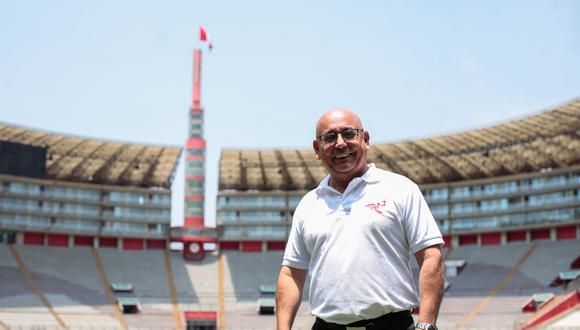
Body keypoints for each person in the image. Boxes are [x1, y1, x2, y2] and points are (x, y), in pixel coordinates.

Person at [276, 109, 445, 330]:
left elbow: (431, 256)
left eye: (348, 133)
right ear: (317, 149)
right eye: (329, 137)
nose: (340, 144)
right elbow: (291, 273)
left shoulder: (400, 189)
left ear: (365, 139)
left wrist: (426, 325)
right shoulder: (308, 204)